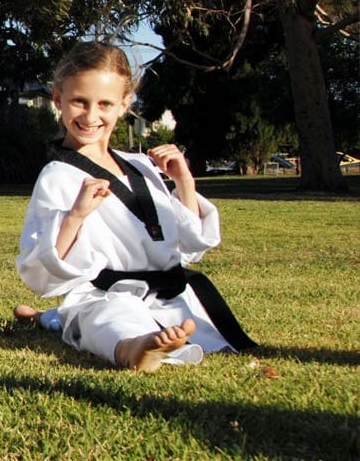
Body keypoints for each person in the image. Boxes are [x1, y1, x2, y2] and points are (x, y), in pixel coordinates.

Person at [15, 41, 255, 372]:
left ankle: (46, 318)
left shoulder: (141, 166)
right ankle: (134, 349)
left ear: (124, 104)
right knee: (107, 321)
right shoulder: (57, 176)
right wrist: (76, 216)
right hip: (107, 297)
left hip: (168, 296)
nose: (90, 115)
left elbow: (190, 245)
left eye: (104, 104)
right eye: (79, 102)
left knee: (193, 325)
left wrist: (184, 183)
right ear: (58, 99)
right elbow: (42, 268)